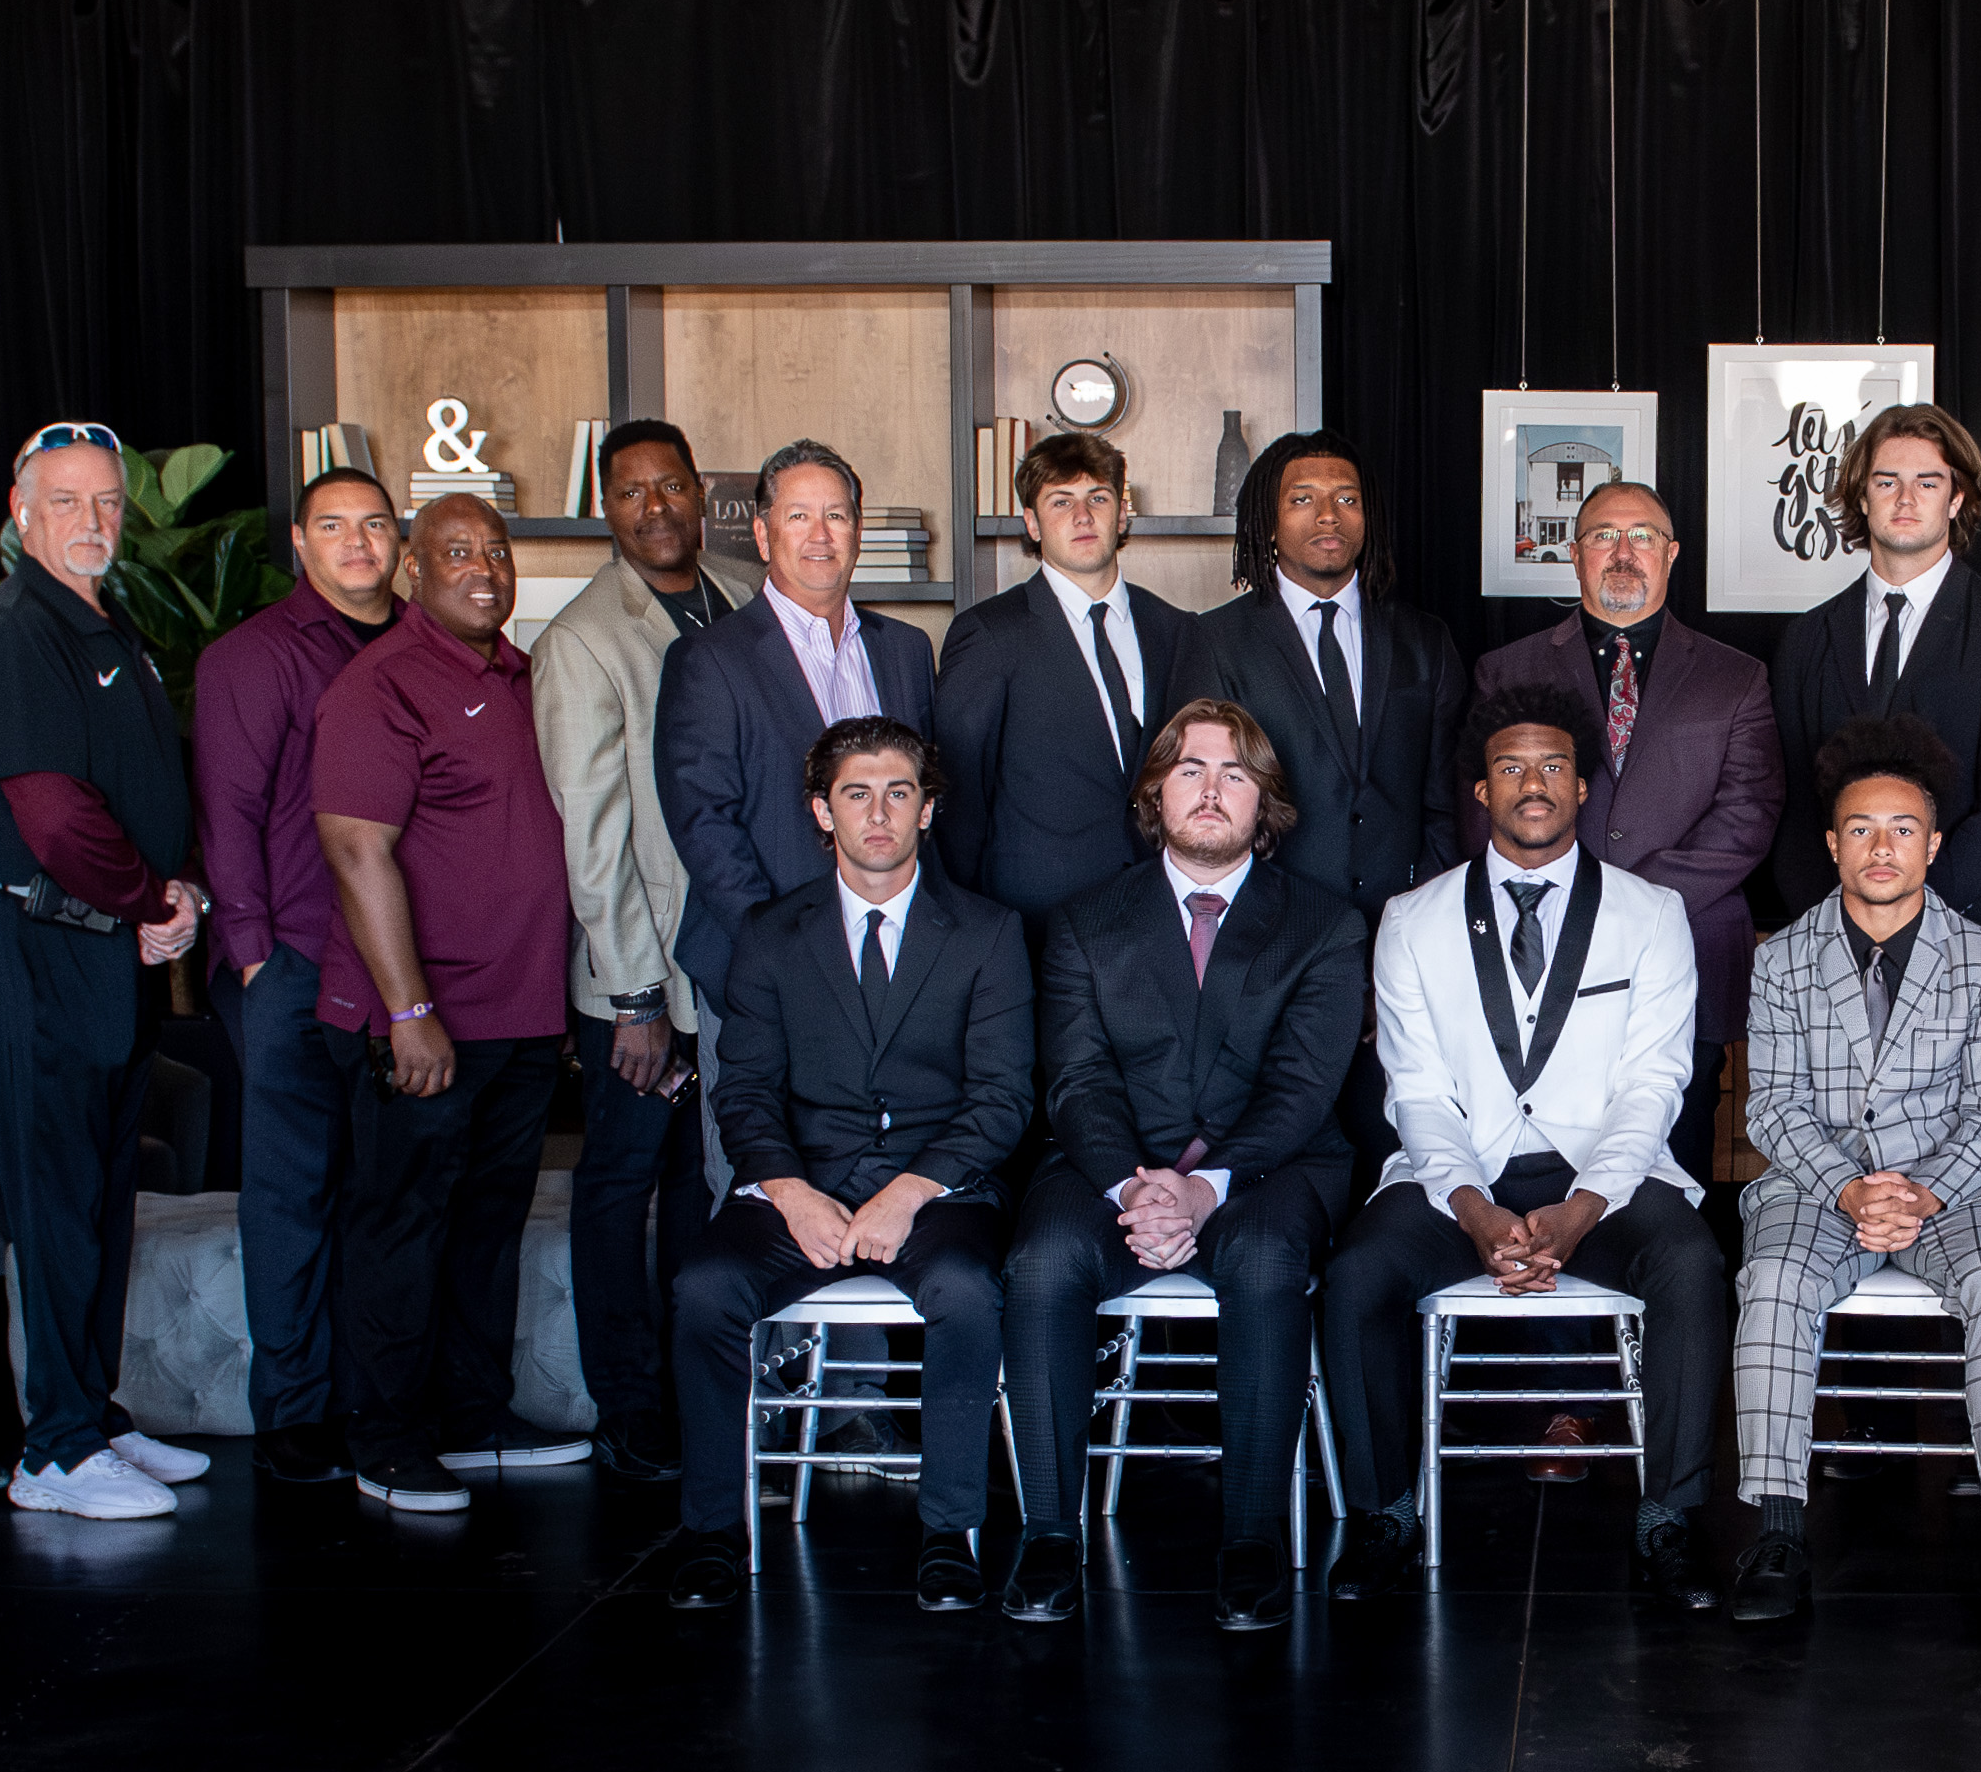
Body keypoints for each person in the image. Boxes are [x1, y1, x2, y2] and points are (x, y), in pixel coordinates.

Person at [1322, 687, 1725, 1608]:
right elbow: (1415, 1090)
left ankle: (1669, 1515)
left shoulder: (1652, 913)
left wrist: (1585, 1206)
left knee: (1691, 1266)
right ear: (1481, 790)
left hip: (1607, 1170)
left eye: (1552, 767)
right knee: (1357, 1276)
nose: (1532, 784)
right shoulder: (1412, 919)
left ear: (1582, 787)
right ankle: (1387, 1511)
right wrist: (1471, 1207)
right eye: (1511, 767)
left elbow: (1655, 1084)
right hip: (1457, 1167)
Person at [998, 701, 1365, 1635]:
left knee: (1265, 1260)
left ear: (1264, 803)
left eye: (1235, 773)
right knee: (1042, 1262)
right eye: (1191, 769)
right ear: (1155, 793)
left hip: (1269, 1167)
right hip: (1110, 1165)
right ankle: (1049, 1534)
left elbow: (1302, 1086)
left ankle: (1251, 1536)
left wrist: (1204, 1189)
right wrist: (1137, 1188)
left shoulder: (1323, 924)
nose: (1211, 790)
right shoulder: (1085, 922)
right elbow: (1076, 1080)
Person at [658, 717, 1030, 1614]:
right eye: (856, 794)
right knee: (704, 1287)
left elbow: (1003, 1097)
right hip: (803, 1183)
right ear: (822, 812)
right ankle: (712, 1529)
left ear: (928, 810)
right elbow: (744, 1090)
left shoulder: (987, 932)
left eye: (900, 793)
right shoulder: (769, 933)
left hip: (938, 1188)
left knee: (967, 1290)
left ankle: (948, 1531)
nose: (879, 814)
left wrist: (909, 1193)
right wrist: (791, 1194)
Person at [1721, 715, 1981, 1632]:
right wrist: (1849, 1188)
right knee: (1774, 1280)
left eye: (1902, 829)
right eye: (1861, 829)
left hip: (1958, 1188)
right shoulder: (1783, 958)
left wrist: (1924, 1191)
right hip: (1818, 1185)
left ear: (1933, 845)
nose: (1881, 847)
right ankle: (1778, 1530)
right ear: (1832, 844)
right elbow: (1773, 1107)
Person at [0, 429, 214, 1522]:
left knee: (100, 1193)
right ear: (20, 512)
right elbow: (53, 814)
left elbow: (141, 784)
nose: (92, 520)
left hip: (101, 947)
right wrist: (150, 901)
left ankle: (90, 1415)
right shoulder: (15, 633)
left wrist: (167, 895)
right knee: (55, 1200)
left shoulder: (104, 621)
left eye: (106, 501)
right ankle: (52, 1454)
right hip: (38, 947)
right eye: (65, 501)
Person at [314, 494, 590, 1517]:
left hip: (521, 1018)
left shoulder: (520, 674)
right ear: (414, 571)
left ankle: (473, 1414)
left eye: (497, 551)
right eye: (458, 552)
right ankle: (385, 1438)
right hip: (428, 1022)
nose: (484, 569)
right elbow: (356, 850)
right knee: (402, 1225)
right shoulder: (382, 683)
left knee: (488, 1223)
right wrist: (408, 1009)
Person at [538, 419, 758, 1488]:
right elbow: (593, 837)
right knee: (623, 1185)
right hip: (643, 978)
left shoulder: (739, 595)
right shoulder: (584, 639)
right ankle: (628, 1405)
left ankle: (691, 1389)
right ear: (606, 509)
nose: (655, 508)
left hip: (727, 966)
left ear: (700, 493)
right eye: (630, 493)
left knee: (703, 1185)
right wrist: (634, 998)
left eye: (670, 487)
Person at [1463, 479, 1780, 1150]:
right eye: (1604, 536)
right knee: (1546, 1152)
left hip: (1689, 940)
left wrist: (1629, 900)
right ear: (1576, 555)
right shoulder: (1506, 669)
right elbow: (1482, 803)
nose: (1624, 552)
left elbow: (1749, 811)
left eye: (1643, 537)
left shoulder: (1737, 675)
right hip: (1540, 942)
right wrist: (1566, 894)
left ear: (1672, 554)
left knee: (1679, 1157)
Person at [193, 469, 402, 1486]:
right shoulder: (255, 654)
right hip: (295, 961)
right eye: (334, 526)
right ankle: (292, 1410)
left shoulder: (423, 646)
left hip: (401, 971)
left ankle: (369, 1401)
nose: (358, 543)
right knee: (291, 1191)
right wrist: (251, 954)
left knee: (381, 1194)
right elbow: (227, 811)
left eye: (375, 524)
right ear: (300, 544)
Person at [657, 439, 937, 1061]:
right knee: (761, 1129)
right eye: (798, 516)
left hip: (896, 964)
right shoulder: (709, 659)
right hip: (765, 971)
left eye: (836, 515)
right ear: (763, 535)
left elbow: (925, 803)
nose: (820, 535)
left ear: (858, 532)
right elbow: (706, 828)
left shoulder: (907, 650)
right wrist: (790, 956)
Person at [1763, 402, 1981, 945]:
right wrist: (1834, 918)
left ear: (1956, 498)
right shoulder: (1806, 638)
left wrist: (1901, 913)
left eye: (1927, 482)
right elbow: (1792, 803)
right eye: (1886, 481)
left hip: (1965, 935)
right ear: (1861, 496)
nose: (1905, 498)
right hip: (1826, 938)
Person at [1186, 433, 1471, 926]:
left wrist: (1425, 905)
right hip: (1269, 926)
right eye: (1302, 499)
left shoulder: (1425, 640)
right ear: (1268, 522)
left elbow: (1446, 799)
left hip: (1405, 922)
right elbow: (1204, 801)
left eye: (1347, 499)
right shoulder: (1215, 640)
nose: (1328, 515)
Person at [935, 426, 1191, 925]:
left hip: (1159, 911)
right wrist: (974, 931)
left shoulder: (1174, 629)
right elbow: (958, 800)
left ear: (1122, 514)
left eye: (1098, 497)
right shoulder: (988, 634)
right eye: (1060, 501)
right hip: (1034, 920)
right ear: (1032, 523)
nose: (1082, 515)